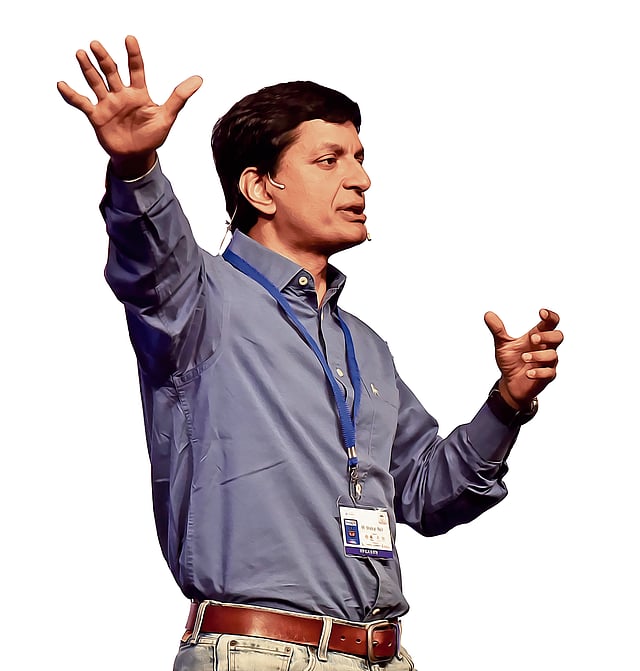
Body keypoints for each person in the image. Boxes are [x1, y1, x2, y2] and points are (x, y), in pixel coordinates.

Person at [58, 35, 563, 671]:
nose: (362, 179)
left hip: (383, 655)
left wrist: (507, 405)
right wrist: (137, 168)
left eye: (360, 158)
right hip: (258, 654)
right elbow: (148, 256)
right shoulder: (196, 299)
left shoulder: (366, 348)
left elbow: (428, 494)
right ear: (260, 188)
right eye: (329, 160)